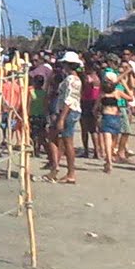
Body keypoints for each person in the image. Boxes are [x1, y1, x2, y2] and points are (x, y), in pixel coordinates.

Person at [46, 51, 82, 185]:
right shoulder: (72, 79)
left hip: (68, 112)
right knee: (59, 139)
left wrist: (61, 117)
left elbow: (69, 100)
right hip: (69, 111)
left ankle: (70, 172)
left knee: (67, 142)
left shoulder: (72, 80)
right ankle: (56, 167)